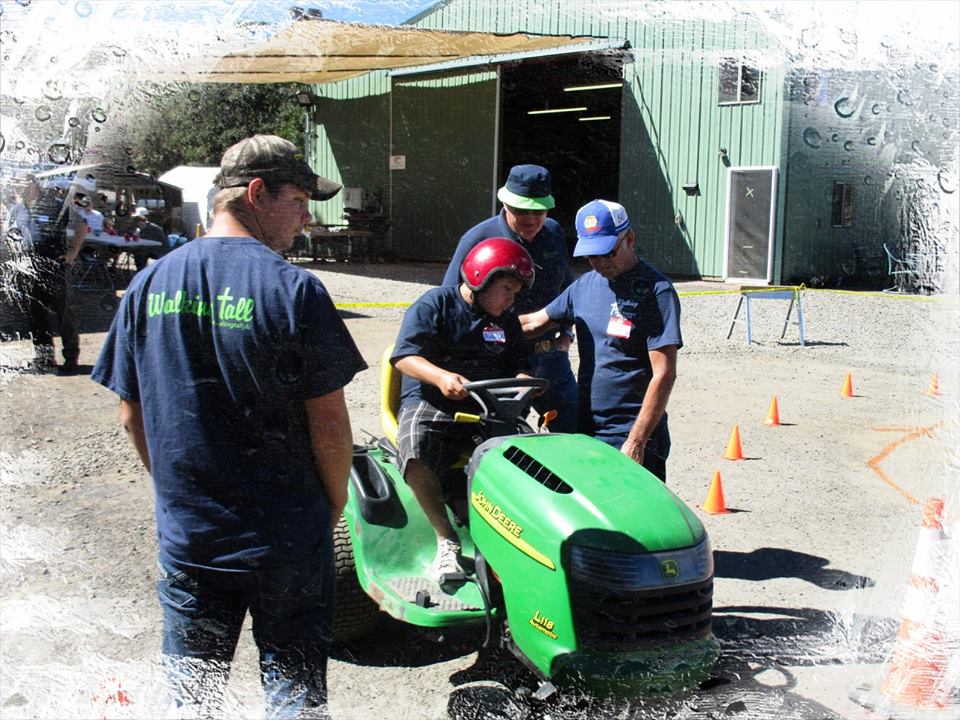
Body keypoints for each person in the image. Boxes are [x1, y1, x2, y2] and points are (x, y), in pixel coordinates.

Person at [91, 134, 367, 718]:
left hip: (192, 540)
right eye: (300, 201)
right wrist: (334, 505)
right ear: (257, 193)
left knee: (193, 698)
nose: (307, 218)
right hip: (286, 539)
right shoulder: (295, 290)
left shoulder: (148, 284)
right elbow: (330, 425)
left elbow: (131, 414)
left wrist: (180, 493)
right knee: (294, 697)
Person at [393, 237, 534, 583]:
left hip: (489, 406)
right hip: (432, 400)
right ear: (480, 277)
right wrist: (441, 377)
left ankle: (519, 537)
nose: (511, 300)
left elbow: (521, 365)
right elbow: (404, 357)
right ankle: (446, 539)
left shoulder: (507, 320)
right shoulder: (435, 304)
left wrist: (523, 383)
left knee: (529, 460)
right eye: (506, 289)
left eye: (515, 293)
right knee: (415, 448)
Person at [520, 199, 682, 482]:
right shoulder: (585, 285)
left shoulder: (656, 292)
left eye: (607, 253)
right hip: (588, 428)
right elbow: (534, 322)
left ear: (629, 238)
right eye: (591, 255)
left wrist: (636, 441)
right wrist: (480, 324)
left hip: (631, 433)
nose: (598, 263)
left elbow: (664, 374)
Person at [441, 164, 578, 433]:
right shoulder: (478, 239)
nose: (531, 218)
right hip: (500, 360)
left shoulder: (553, 234)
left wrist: (567, 335)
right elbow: (451, 305)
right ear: (504, 203)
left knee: (574, 432)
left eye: (538, 211)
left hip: (550, 356)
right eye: (522, 210)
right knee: (499, 435)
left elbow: (567, 291)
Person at [6, 174, 87, 374]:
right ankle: (44, 360)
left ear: (34, 184)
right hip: (29, 271)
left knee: (64, 315)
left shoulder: (54, 205)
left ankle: (71, 360)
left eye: (22, 184)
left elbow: (82, 225)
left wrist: (72, 253)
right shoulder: (17, 210)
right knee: (36, 316)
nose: (19, 188)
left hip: (55, 268)